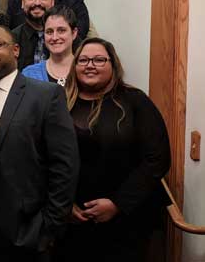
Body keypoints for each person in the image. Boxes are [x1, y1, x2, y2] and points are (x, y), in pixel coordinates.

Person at [0, 25, 79, 262]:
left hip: (21, 234)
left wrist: (47, 228)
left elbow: (65, 166)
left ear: (16, 50)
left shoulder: (44, 96)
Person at [55, 37, 171, 262]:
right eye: (84, 60)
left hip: (126, 219)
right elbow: (44, 156)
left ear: (113, 65)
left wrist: (118, 203)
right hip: (70, 219)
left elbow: (157, 158)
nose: (90, 65)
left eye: (99, 60)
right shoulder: (57, 102)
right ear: (74, 65)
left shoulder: (135, 100)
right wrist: (63, 204)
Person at [22, 5, 78, 86]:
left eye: (61, 31)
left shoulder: (85, 70)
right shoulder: (29, 75)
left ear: (74, 33)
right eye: (49, 32)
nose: (54, 37)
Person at [12, 0, 54, 70]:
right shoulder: (11, 39)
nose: (37, 3)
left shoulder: (66, 37)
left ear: (52, 2)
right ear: (23, 3)